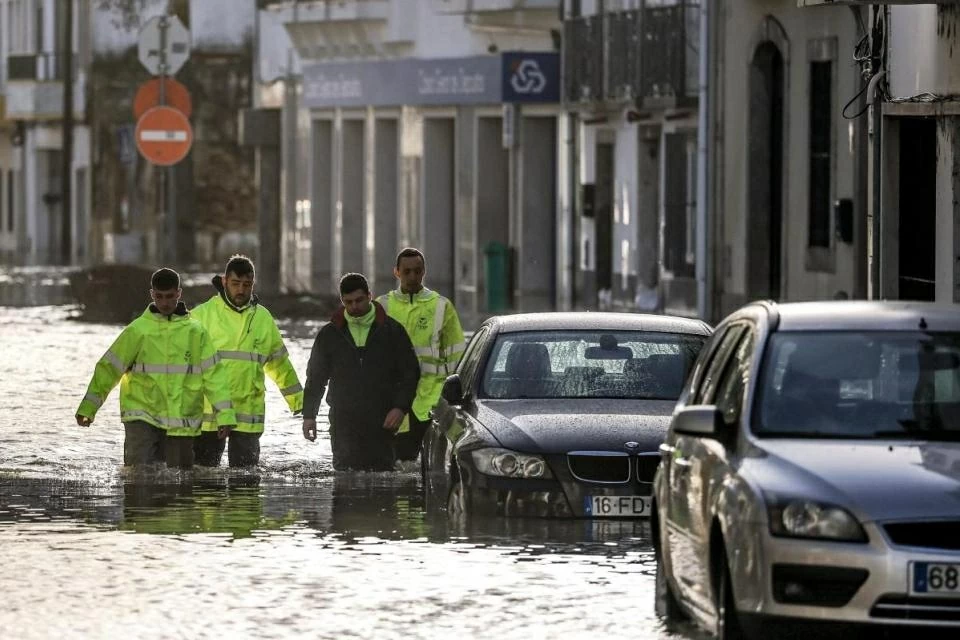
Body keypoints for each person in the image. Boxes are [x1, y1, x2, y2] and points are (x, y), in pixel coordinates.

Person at [75, 268, 237, 469]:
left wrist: (225, 415)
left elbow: (215, 377)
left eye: (170, 296)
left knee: (180, 487)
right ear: (152, 294)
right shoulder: (138, 331)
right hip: (142, 417)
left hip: (181, 421)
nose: (165, 302)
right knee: (139, 480)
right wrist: (89, 408)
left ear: (179, 293)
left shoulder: (196, 333)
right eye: (159, 297)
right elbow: (108, 369)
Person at [191, 255, 304, 467]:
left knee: (246, 484)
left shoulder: (262, 318)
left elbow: (279, 364)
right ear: (224, 281)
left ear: (253, 284)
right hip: (209, 413)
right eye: (235, 284)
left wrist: (298, 401)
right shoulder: (201, 316)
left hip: (248, 414)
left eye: (247, 284)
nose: (241, 290)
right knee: (204, 485)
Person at [302, 273, 420, 471]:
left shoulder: (392, 331)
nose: (354, 307)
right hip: (343, 423)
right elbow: (315, 379)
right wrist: (309, 416)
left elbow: (410, 374)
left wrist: (400, 408)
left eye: (359, 300)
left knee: (383, 483)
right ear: (342, 301)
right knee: (344, 481)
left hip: (383, 422)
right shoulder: (329, 335)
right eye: (348, 302)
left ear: (369, 296)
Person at [376, 247, 466, 461]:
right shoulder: (382, 306)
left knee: (433, 465)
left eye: (417, 271)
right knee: (398, 463)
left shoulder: (441, 306)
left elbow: (457, 357)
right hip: (394, 401)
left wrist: (457, 398)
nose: (412, 277)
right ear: (396, 272)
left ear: (424, 271)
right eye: (407, 272)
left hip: (432, 399)